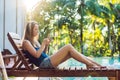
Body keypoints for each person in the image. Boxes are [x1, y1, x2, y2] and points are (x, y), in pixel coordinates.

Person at [22, 21, 104, 69]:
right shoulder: (26, 42)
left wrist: (46, 45)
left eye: (38, 29)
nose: (37, 31)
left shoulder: (34, 41)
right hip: (43, 64)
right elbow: (36, 55)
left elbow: (42, 54)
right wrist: (43, 44)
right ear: (30, 30)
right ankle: (90, 64)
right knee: (68, 47)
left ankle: (98, 65)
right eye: (35, 29)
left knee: (71, 53)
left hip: (46, 61)